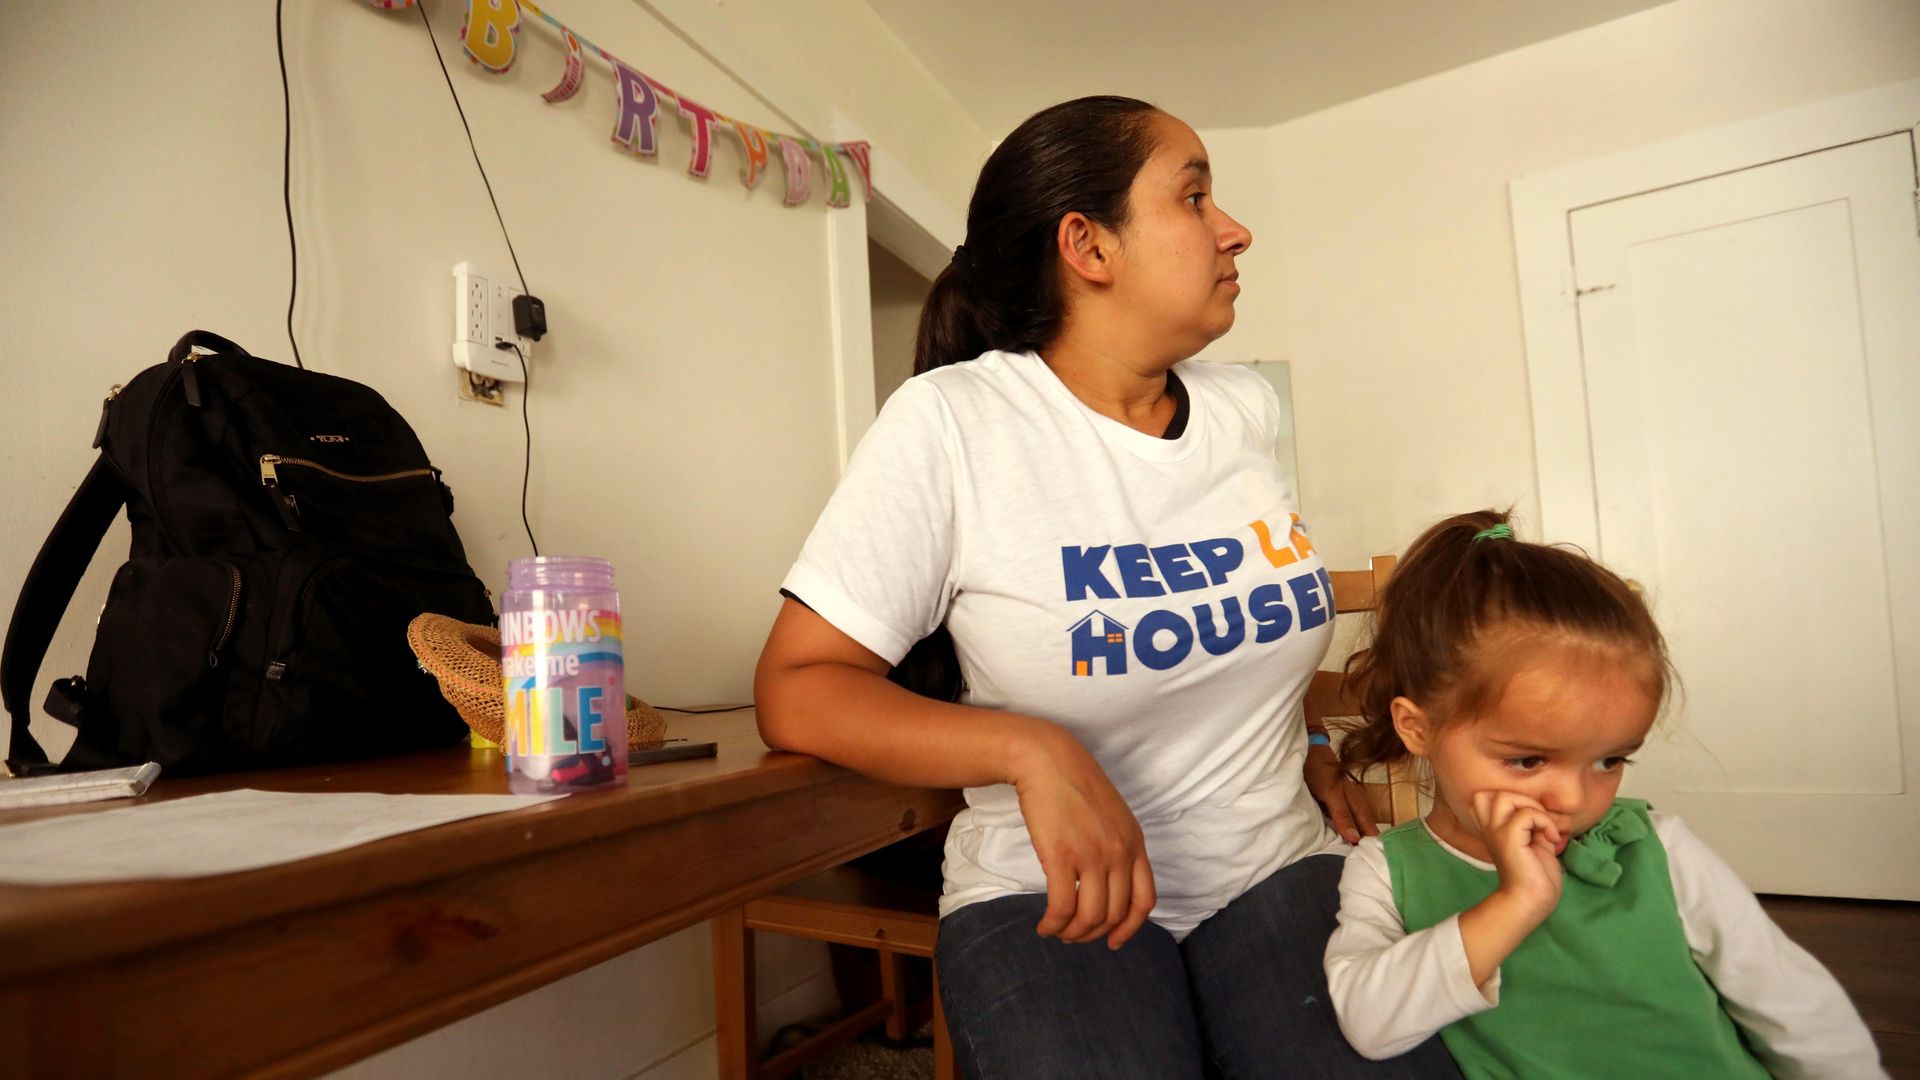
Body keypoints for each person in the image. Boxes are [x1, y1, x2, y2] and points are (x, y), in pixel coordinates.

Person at [756, 95, 1456, 1078]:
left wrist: (1299, 737)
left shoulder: (1243, 408)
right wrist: (1029, 749)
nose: (1233, 229)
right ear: (1088, 246)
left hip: (1276, 865)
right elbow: (796, 686)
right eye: (1196, 196)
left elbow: (1242, 611)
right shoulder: (951, 425)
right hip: (1049, 891)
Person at [1322, 510, 1883, 1077]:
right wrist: (1516, 904)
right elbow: (1369, 1023)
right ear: (1417, 728)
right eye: (1528, 759)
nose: (1571, 797)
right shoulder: (1384, 871)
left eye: (1609, 760)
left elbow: (1797, 1011)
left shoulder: (1657, 850)